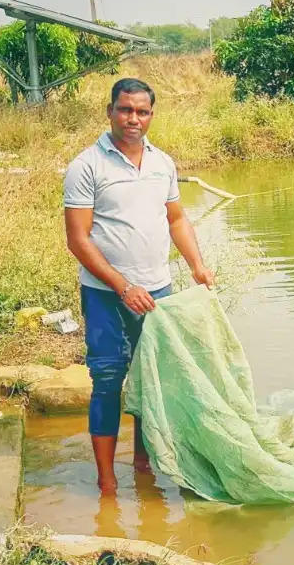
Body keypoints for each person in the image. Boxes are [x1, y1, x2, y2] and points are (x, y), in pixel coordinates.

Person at [63, 77, 214, 495]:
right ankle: (108, 482)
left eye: (142, 112)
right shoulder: (87, 166)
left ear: (152, 115)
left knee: (152, 379)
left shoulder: (162, 163)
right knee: (108, 381)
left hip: (157, 292)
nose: (134, 119)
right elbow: (79, 238)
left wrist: (198, 266)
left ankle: (145, 467)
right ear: (109, 111)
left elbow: (177, 219)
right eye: (126, 109)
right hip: (105, 295)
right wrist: (123, 286)